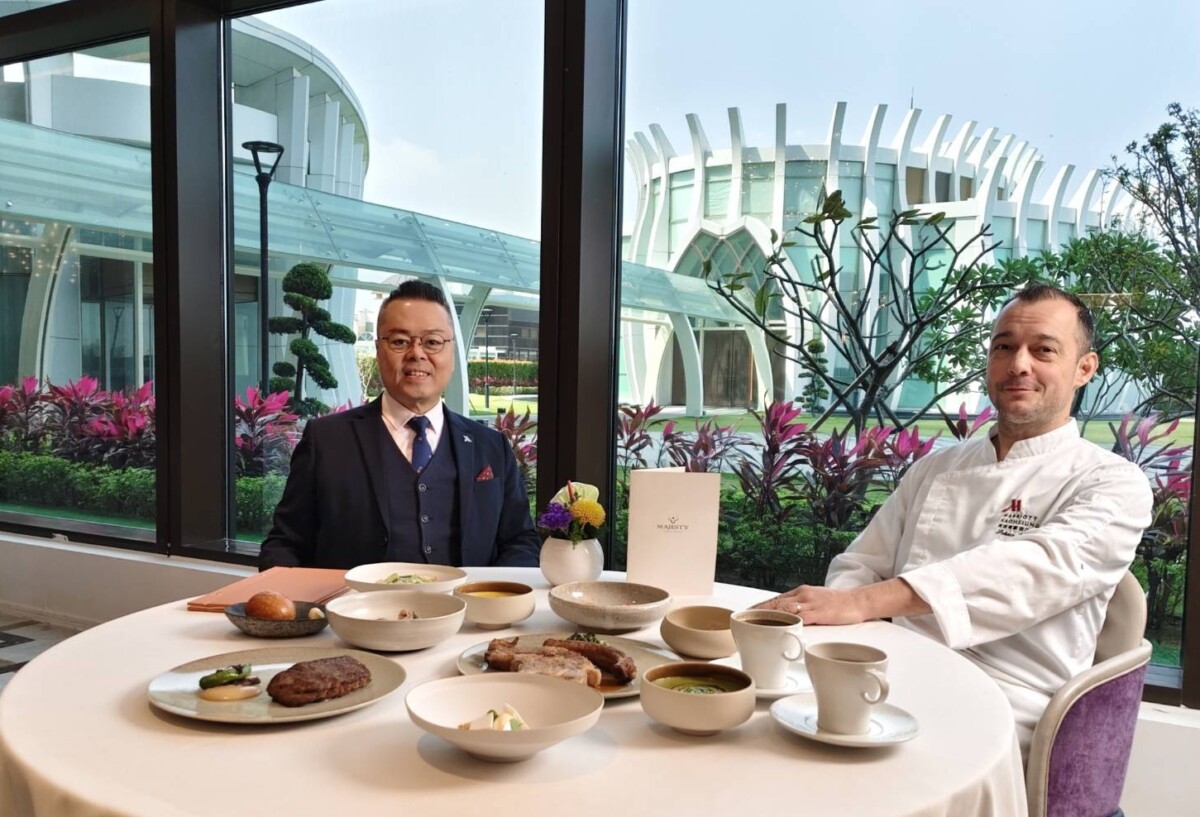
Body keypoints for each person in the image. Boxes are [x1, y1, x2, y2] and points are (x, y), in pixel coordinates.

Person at [756, 284, 1152, 760]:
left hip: (1008, 698)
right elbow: (862, 563)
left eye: (1043, 350)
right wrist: (846, 640)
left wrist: (862, 603)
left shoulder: (1112, 482)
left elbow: (1037, 567)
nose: (1018, 364)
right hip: (892, 667)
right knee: (762, 724)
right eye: (1003, 347)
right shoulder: (937, 468)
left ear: (1084, 369)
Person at [259, 280, 540, 570]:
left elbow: (520, 541)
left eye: (432, 342)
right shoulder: (327, 441)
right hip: (354, 600)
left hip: (468, 600)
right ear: (378, 350)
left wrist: (493, 592)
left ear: (452, 353)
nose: (417, 353)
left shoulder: (491, 446)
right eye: (399, 342)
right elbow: (285, 545)